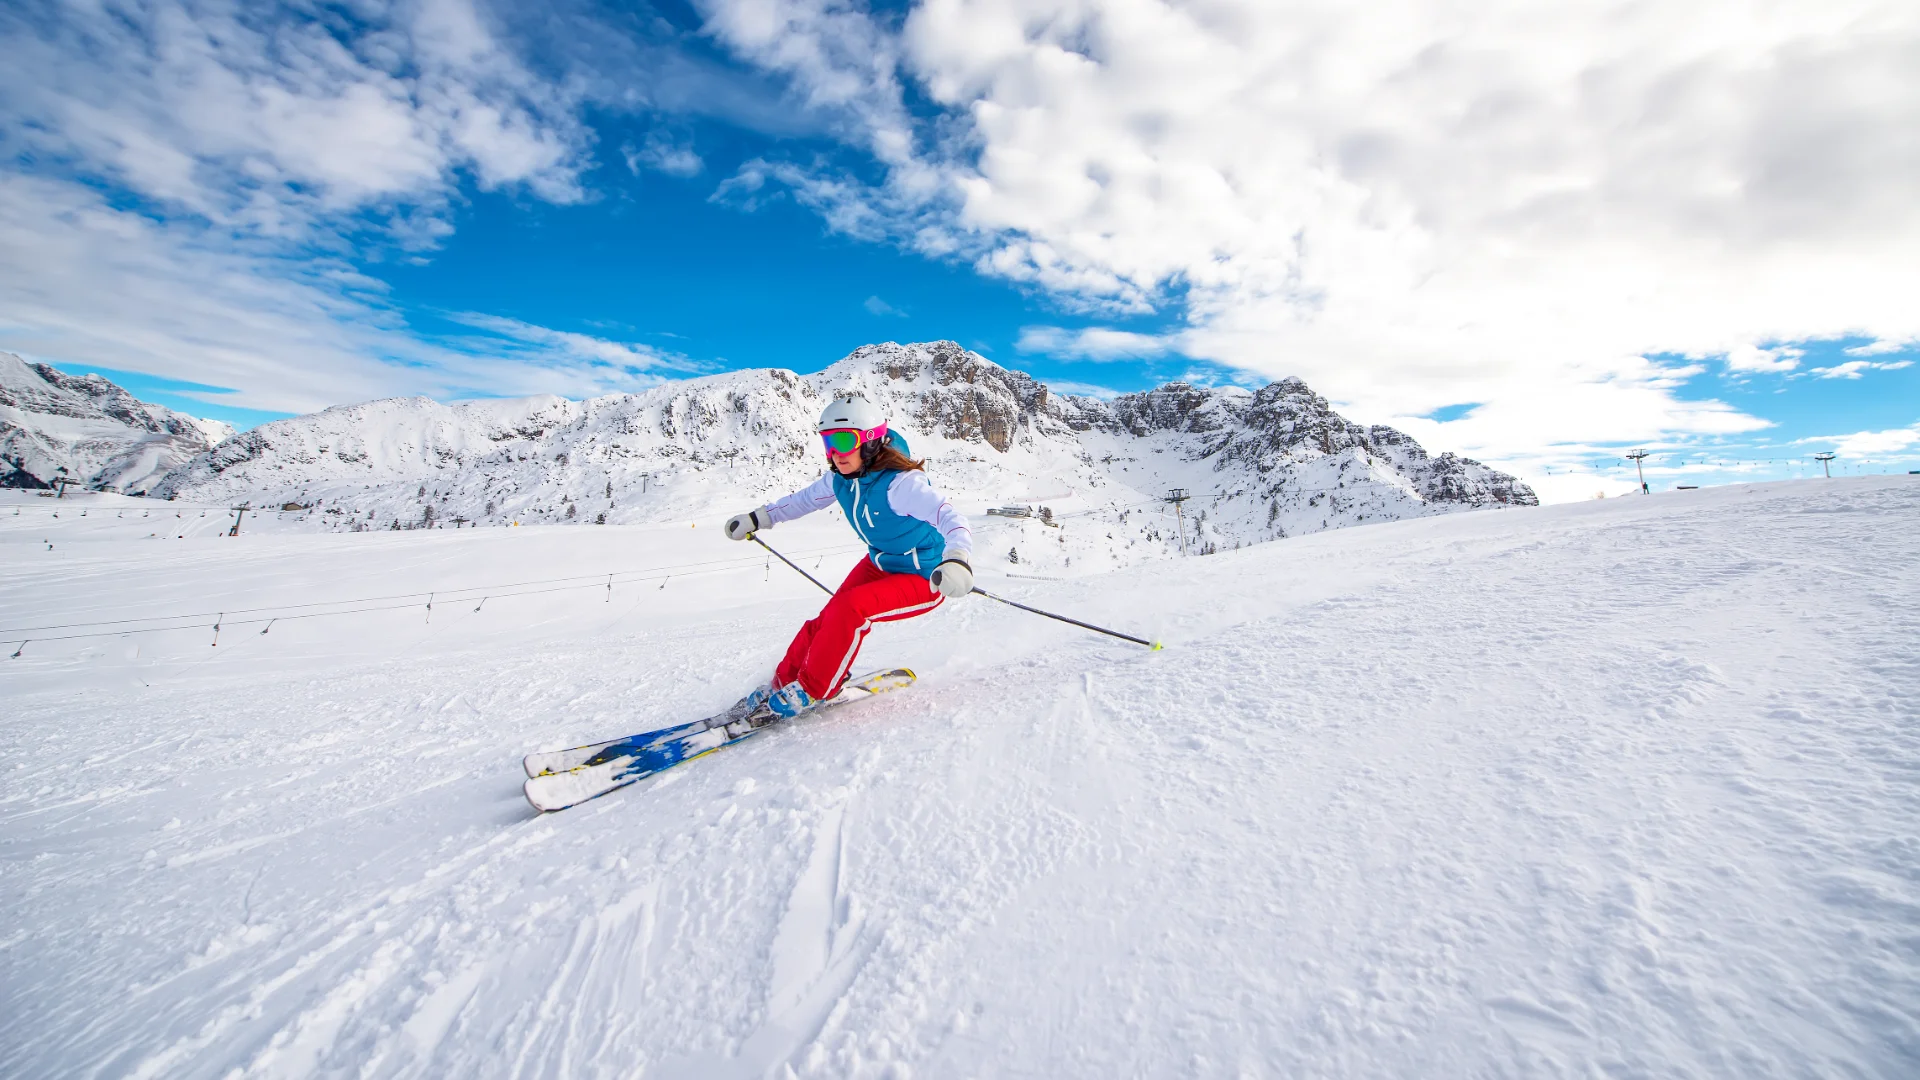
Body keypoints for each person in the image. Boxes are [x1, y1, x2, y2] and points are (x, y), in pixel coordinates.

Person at [724, 394, 974, 718]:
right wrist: (758, 518)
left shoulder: (901, 484)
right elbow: (803, 501)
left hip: (925, 574)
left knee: (850, 609)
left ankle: (815, 689)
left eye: (844, 440)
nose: (835, 453)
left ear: (869, 443)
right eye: (828, 443)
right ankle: (782, 681)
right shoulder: (841, 478)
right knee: (826, 619)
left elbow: (950, 516)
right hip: (880, 563)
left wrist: (957, 560)